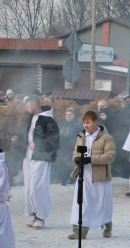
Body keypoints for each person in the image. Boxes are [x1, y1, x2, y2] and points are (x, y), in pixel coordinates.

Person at [10, 95, 59, 229]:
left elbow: (54, 139)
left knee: (38, 186)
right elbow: (26, 133)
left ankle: (41, 216)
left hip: (41, 156)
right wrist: (18, 138)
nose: (26, 109)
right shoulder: (30, 118)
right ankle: (32, 213)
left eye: (27, 106)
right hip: (28, 155)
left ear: (33, 105)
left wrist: (39, 145)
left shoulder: (48, 120)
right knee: (29, 187)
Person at [68, 110, 117, 239]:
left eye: (88, 122)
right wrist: (77, 159)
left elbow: (110, 156)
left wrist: (91, 159)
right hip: (84, 174)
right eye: (84, 123)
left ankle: (107, 228)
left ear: (96, 122)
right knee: (81, 203)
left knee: (102, 204)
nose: (86, 125)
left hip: (100, 176)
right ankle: (79, 231)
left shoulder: (106, 138)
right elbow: (75, 152)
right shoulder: (81, 136)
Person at [57, 106, 80, 186]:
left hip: (71, 148)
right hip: (62, 147)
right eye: (67, 114)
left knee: (70, 164)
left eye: (70, 115)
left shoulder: (77, 124)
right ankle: (63, 180)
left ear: (74, 115)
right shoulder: (62, 123)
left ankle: (72, 178)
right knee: (61, 164)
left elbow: (79, 136)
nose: (68, 116)